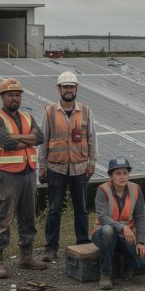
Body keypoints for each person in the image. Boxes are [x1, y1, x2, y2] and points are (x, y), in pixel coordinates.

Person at [0, 78, 47, 278]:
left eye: (18, 94)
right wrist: (25, 139)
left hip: (29, 173)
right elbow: (6, 143)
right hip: (7, 175)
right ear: (3, 96)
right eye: (11, 94)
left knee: (28, 216)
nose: (15, 98)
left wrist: (17, 138)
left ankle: (26, 256)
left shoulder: (28, 116)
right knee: (3, 217)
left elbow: (40, 138)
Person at [38, 71, 98, 261]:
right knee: (54, 209)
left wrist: (92, 163)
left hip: (80, 168)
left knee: (81, 208)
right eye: (65, 87)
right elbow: (43, 140)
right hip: (57, 168)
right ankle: (51, 247)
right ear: (59, 89)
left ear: (76, 89)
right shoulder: (49, 112)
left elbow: (92, 138)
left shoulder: (86, 111)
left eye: (72, 87)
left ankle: (83, 244)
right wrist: (41, 166)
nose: (69, 90)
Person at [92, 157, 145, 290]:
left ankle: (124, 260)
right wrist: (122, 227)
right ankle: (105, 274)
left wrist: (140, 242)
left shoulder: (136, 189)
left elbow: (140, 217)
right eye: (118, 173)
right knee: (108, 230)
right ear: (111, 175)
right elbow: (102, 217)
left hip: (126, 236)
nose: (122, 177)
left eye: (125, 173)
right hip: (103, 234)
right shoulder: (102, 190)